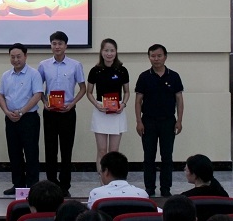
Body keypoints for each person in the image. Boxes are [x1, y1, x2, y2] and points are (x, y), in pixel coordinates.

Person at [38, 30, 86, 196]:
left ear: (66, 46)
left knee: (66, 149)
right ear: (51, 45)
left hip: (68, 112)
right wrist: (44, 102)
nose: (57, 46)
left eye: (60, 43)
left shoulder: (75, 65)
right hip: (50, 112)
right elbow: (38, 88)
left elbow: (83, 88)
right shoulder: (43, 65)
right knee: (50, 149)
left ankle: (65, 186)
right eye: (54, 43)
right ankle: (51, 184)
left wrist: (72, 103)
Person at [135, 43, 184, 198]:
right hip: (148, 121)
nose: (156, 59)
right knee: (148, 156)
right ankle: (149, 188)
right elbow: (138, 101)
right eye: (153, 56)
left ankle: (165, 188)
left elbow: (179, 100)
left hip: (168, 121)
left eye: (159, 56)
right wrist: (139, 121)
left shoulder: (174, 76)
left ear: (165, 57)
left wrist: (179, 120)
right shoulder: (144, 77)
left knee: (167, 157)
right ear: (149, 57)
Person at [0, 42, 44, 195]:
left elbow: (37, 95)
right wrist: (6, 112)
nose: (16, 60)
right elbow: (1, 95)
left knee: (31, 153)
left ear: (25, 56)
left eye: (18, 56)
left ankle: (33, 186)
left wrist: (22, 112)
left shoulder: (34, 74)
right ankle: (18, 185)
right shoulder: (6, 75)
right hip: (10, 118)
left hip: (29, 118)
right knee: (14, 153)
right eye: (12, 57)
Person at [86, 38, 130, 172]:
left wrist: (123, 104)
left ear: (116, 52)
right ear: (101, 52)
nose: (109, 54)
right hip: (101, 111)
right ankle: (102, 180)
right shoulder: (95, 71)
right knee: (102, 150)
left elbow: (127, 92)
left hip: (117, 111)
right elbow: (89, 92)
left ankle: (113, 179)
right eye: (106, 50)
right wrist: (97, 105)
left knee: (114, 151)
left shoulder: (122, 70)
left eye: (112, 50)